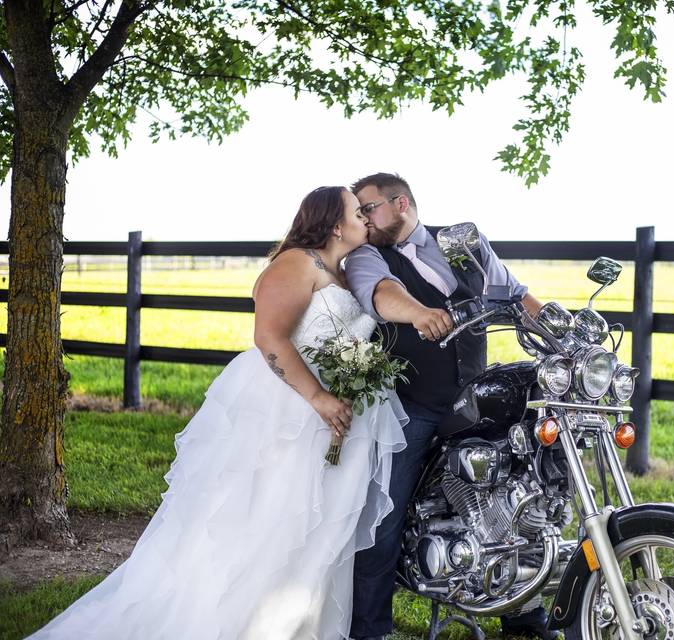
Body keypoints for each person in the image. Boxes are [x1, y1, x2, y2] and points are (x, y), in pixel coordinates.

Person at [27, 186, 407, 640]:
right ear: (333, 224)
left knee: (318, 532)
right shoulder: (296, 264)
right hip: (288, 414)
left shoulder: (342, 273)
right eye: (356, 211)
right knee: (274, 525)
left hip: (329, 423)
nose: (366, 217)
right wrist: (321, 399)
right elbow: (270, 337)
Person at [344, 173, 557, 640]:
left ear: (401, 203)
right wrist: (419, 313)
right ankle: (369, 630)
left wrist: (563, 338)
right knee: (381, 518)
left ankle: (524, 616)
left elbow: (516, 295)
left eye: (368, 208)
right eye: (358, 212)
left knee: (518, 496)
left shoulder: (461, 243)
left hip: (476, 399)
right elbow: (380, 294)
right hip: (412, 404)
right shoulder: (364, 254)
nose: (362, 218)